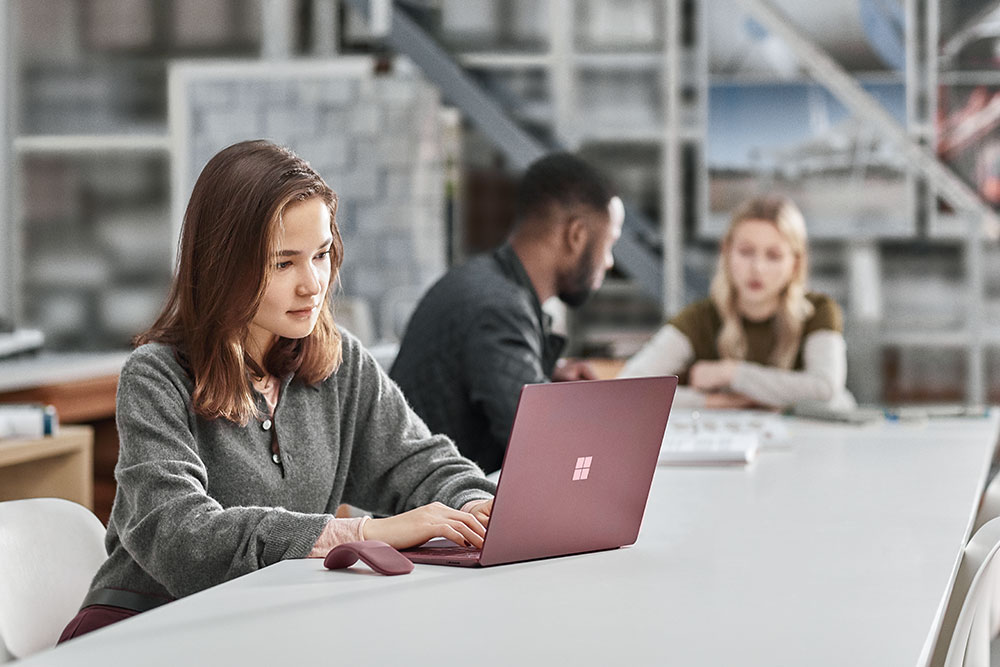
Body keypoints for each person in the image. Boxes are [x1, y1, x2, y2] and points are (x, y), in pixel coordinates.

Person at [59, 140, 495, 641]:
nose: (313, 284)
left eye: (322, 254)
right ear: (222, 264)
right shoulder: (155, 375)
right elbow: (179, 535)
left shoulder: (339, 361)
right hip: (146, 628)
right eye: (282, 263)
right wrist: (359, 534)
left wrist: (478, 511)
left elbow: (418, 465)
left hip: (269, 623)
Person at [390, 153, 624, 474]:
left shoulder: (486, 282)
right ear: (576, 235)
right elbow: (545, 448)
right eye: (609, 244)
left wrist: (544, 376)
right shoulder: (498, 308)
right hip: (440, 516)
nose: (609, 262)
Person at [619, 195, 851, 410]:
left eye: (774, 256)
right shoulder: (700, 318)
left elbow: (825, 389)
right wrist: (714, 401)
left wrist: (731, 373)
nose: (757, 268)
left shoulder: (820, 311)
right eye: (746, 252)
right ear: (726, 252)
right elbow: (628, 388)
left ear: (796, 263)